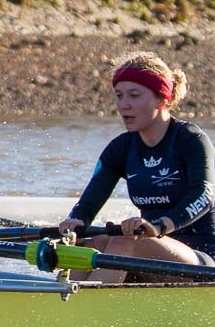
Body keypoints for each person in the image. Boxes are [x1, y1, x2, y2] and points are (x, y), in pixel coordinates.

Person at [54, 52, 215, 281]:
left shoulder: (190, 140)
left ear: (161, 99)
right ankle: (67, 307)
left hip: (201, 259)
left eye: (134, 95)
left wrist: (160, 226)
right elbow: (89, 201)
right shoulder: (120, 148)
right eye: (119, 96)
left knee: (124, 241)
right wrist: (76, 221)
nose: (123, 105)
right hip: (151, 250)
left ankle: (87, 309)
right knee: (92, 245)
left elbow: (205, 194)